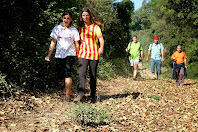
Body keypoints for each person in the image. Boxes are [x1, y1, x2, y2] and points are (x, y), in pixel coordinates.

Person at [45, 10, 80, 102]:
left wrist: (78, 56)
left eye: (68, 18)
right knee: (61, 75)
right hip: (59, 55)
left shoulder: (74, 30)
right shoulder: (57, 28)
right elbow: (53, 42)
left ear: (71, 19)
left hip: (70, 54)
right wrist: (49, 55)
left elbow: (77, 44)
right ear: (62, 18)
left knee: (68, 73)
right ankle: (66, 86)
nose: (66, 20)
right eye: (64, 18)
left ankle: (67, 96)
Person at [74, 7, 104, 103]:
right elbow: (76, 41)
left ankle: (93, 96)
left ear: (90, 16)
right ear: (81, 17)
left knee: (93, 75)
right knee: (81, 74)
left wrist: (101, 48)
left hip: (94, 54)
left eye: (87, 15)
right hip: (82, 54)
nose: (85, 17)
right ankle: (80, 95)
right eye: (83, 15)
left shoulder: (96, 27)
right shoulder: (80, 28)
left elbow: (101, 39)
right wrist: (76, 51)